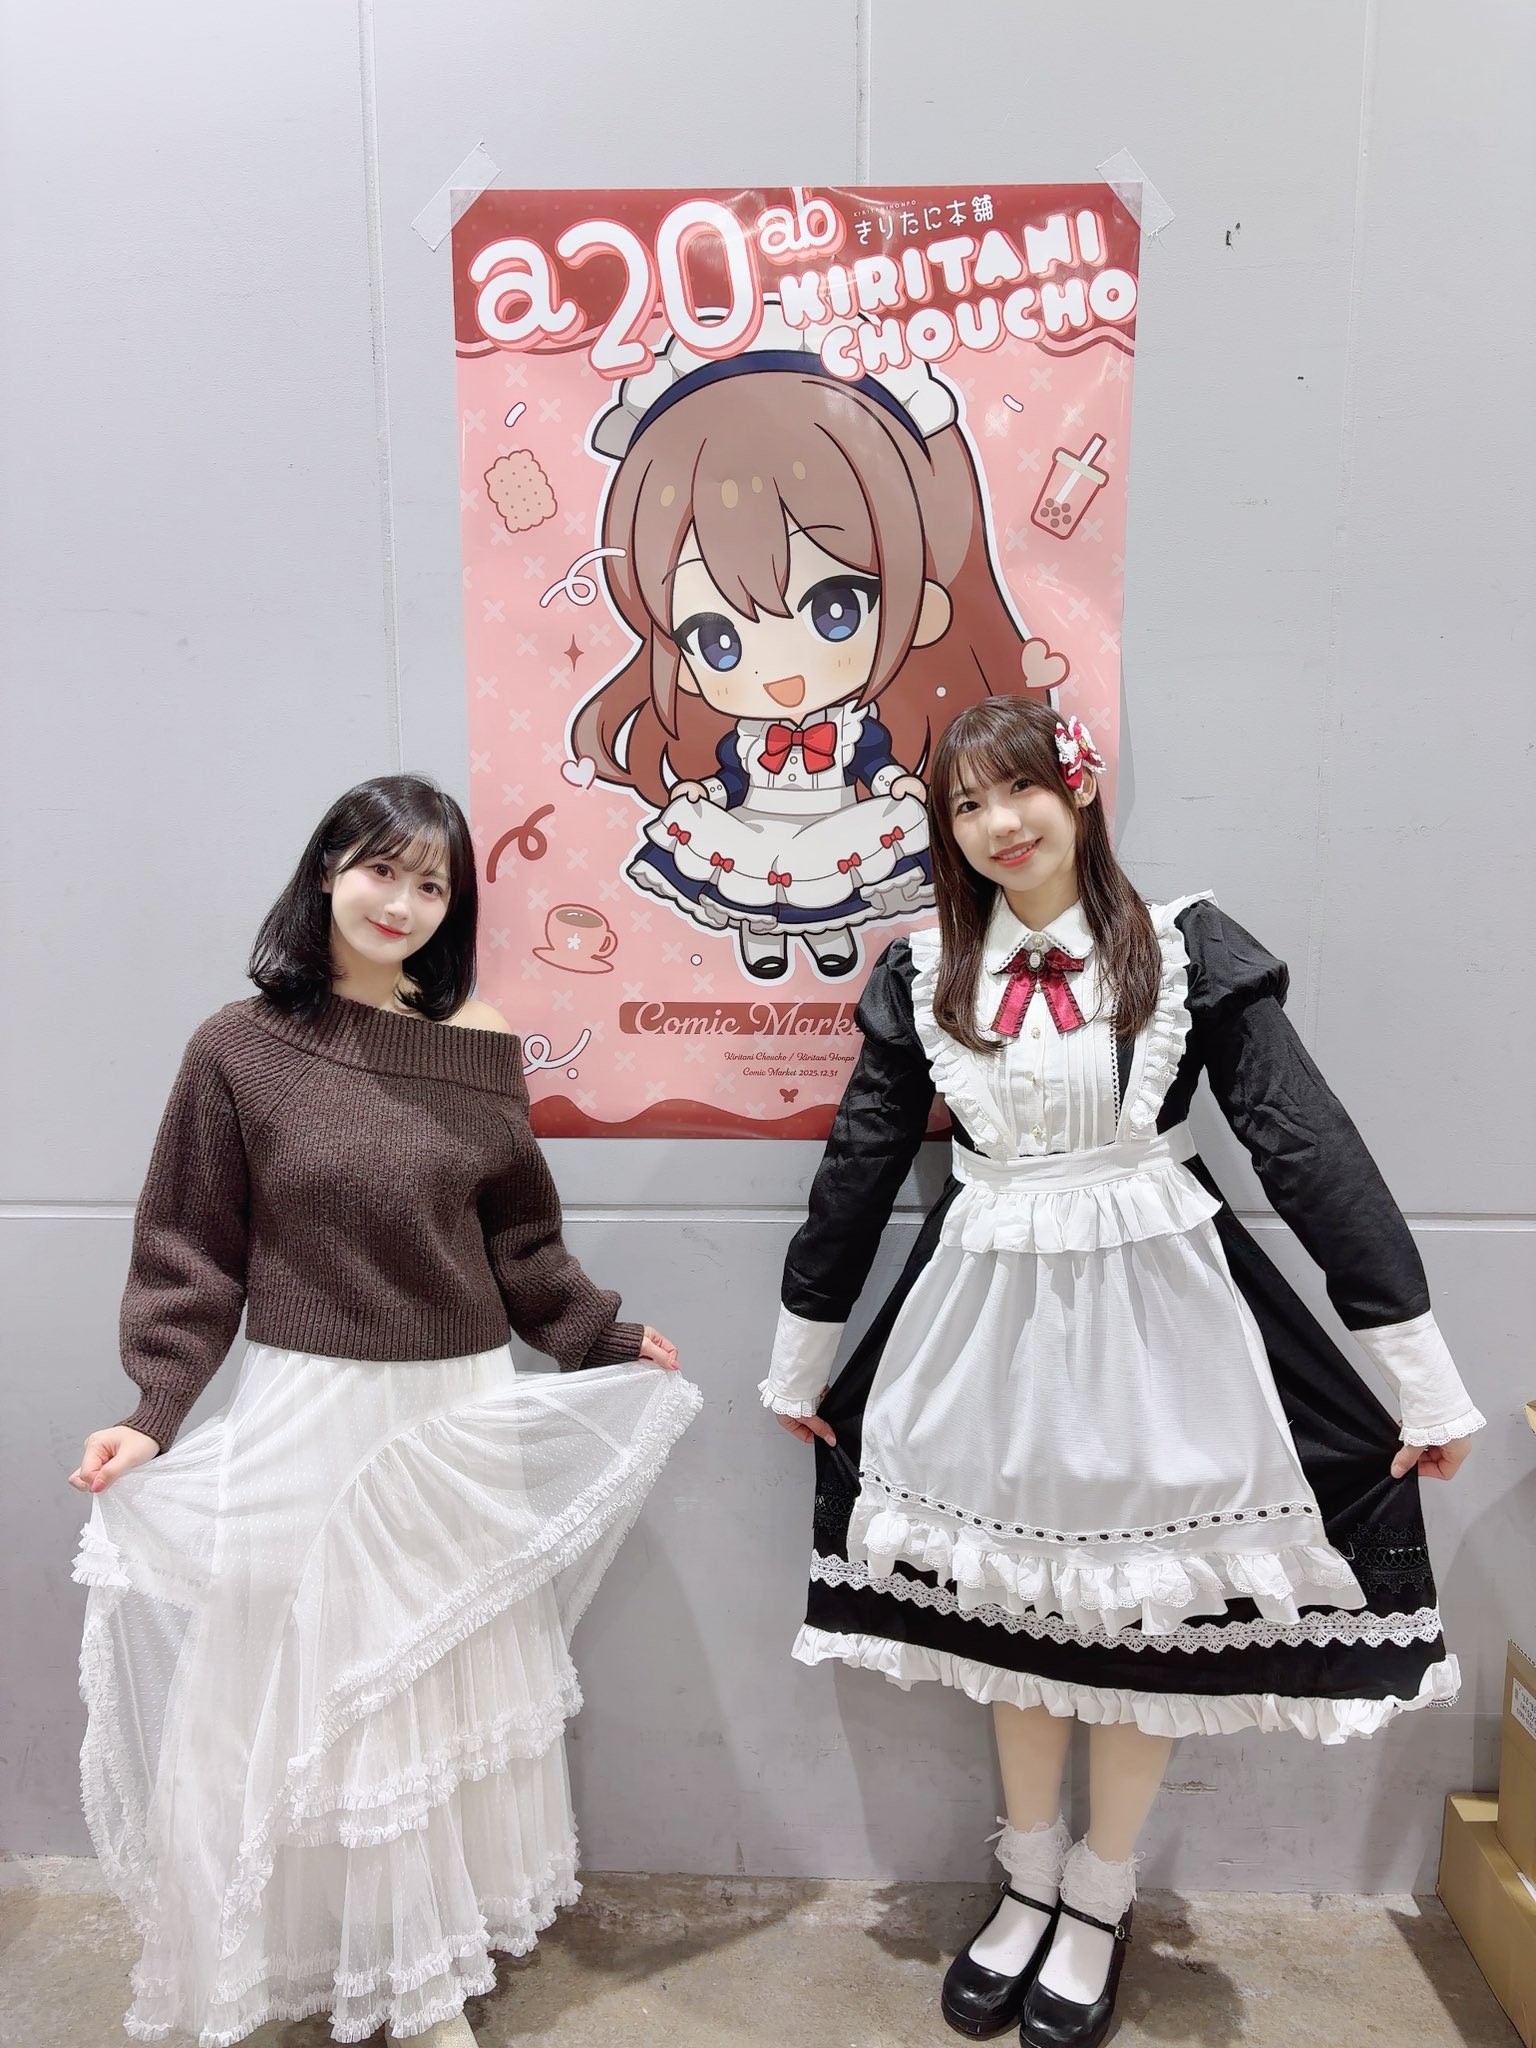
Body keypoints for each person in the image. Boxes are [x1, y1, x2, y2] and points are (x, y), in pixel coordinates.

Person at [759, 696, 1481, 2048]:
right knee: (1014, 1611)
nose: (998, 823)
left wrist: (1422, 1376)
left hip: (1163, 1329)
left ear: (1078, 789)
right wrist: (804, 1357)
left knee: (1142, 1620)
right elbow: (859, 1164)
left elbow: (1306, 1148)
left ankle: (1100, 1890)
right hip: (984, 1328)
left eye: (1019, 788)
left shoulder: (1185, 945)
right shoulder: (925, 972)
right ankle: (1027, 1871)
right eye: (967, 804)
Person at [69, 773, 698, 2048]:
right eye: (379, 869)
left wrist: (595, 1332)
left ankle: (422, 1976)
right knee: (306, 1683)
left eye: (431, 882)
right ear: (325, 872)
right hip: (314, 1407)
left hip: (457, 1414)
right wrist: (156, 1407)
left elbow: (520, 1235)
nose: (402, 901)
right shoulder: (239, 1047)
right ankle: (306, 1954)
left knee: (433, 1683)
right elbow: (191, 1246)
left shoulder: (477, 1038)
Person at [571, 303, 1041, 981]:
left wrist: (894, 783)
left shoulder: (849, 729)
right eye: (718, 640)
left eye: (834, 609)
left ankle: (829, 939)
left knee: (830, 888)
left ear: (916, 603)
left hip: (834, 820)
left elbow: (873, 763)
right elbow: (733, 779)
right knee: (756, 893)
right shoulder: (748, 739)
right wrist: (708, 795)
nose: (781, 674)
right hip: (757, 825)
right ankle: (763, 940)